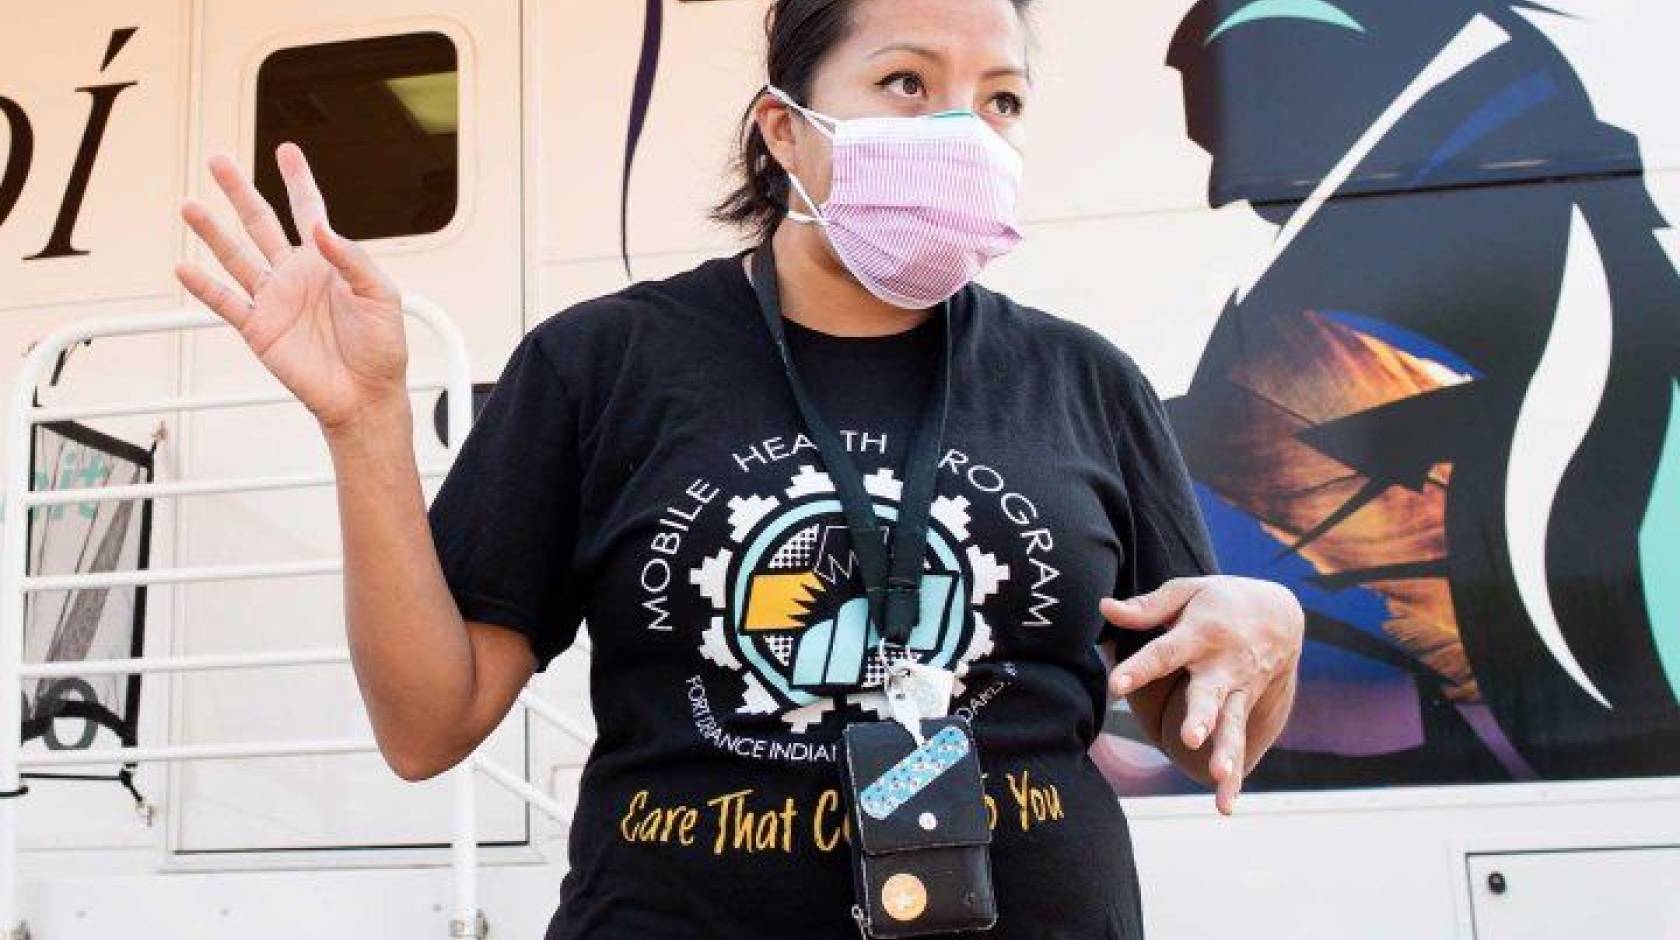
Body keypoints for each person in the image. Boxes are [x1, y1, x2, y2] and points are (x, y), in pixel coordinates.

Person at [172, 0, 1305, 936]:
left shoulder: (1084, 379)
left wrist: (1272, 629)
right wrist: (364, 423)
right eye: (906, 82)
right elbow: (430, 727)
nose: (963, 129)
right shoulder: (601, 363)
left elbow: (1207, 731)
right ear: (784, 130)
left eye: (1000, 98)